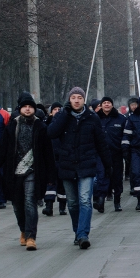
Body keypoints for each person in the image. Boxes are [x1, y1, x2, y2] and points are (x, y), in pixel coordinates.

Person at [0, 93, 56, 250]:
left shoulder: (41, 128)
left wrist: (52, 175)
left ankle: (31, 237)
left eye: (30, 107)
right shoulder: (11, 127)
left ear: (34, 109)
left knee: (29, 202)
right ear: (20, 109)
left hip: (33, 170)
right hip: (14, 171)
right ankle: (23, 231)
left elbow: (48, 153)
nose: (27, 109)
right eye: (25, 107)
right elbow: (2, 150)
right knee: (18, 206)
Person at [47, 87, 112, 249]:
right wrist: (63, 114)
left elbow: (101, 143)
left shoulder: (92, 118)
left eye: (79, 98)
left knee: (85, 201)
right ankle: (77, 231)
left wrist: (108, 164)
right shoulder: (63, 116)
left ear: (84, 100)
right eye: (73, 97)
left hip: (87, 164)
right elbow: (51, 133)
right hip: (67, 165)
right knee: (73, 203)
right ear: (69, 100)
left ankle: (83, 234)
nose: (76, 100)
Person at [96, 97, 127, 211]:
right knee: (102, 176)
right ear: (101, 105)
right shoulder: (95, 118)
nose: (107, 105)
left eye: (109, 102)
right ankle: (100, 201)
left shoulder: (120, 119)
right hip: (100, 154)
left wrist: (124, 149)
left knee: (117, 178)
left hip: (116, 153)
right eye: (104, 103)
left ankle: (117, 201)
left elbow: (125, 135)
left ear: (112, 105)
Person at [42, 102, 67, 216]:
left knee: (62, 184)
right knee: (50, 184)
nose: (57, 111)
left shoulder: (65, 124)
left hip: (63, 158)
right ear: (51, 112)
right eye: (54, 109)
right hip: (50, 158)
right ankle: (49, 206)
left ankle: (62, 207)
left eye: (59, 109)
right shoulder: (46, 125)